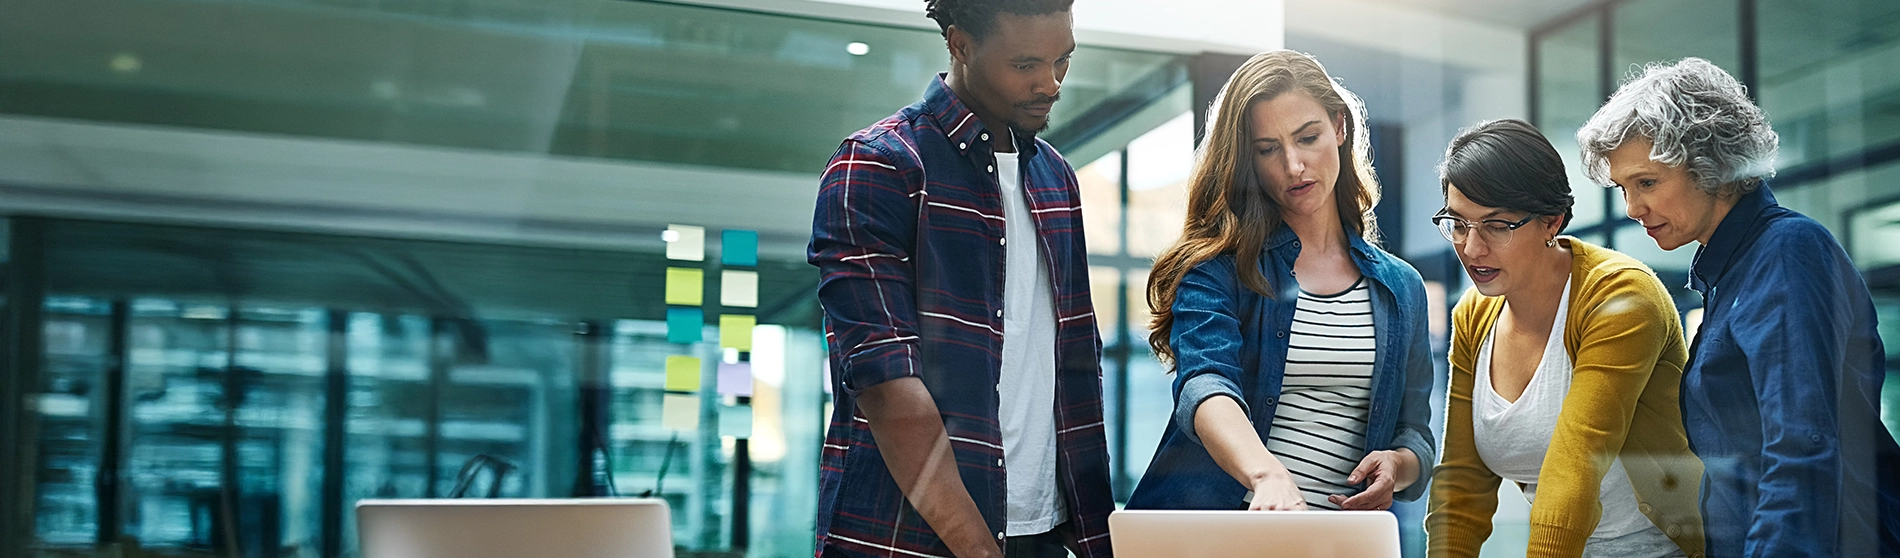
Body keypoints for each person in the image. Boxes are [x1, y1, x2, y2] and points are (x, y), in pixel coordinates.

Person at [805, 0, 1114, 556]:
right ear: (960, 45)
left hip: (1042, 533)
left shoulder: (1055, 179)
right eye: (1025, 66)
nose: (1051, 83)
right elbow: (886, 386)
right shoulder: (879, 165)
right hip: (912, 539)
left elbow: (1071, 372)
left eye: (1062, 60)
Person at [1575, 57, 1900, 558]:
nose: (1632, 208)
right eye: (1623, 188)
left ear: (1712, 166)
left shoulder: (1787, 251)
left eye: (1647, 182)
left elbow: (1801, 446)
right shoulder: (1730, 273)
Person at [1123, 50, 1435, 514]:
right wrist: (1266, 474)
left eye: (1308, 138)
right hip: (1220, 534)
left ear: (1340, 127)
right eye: (1268, 149)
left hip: (1331, 542)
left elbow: (1415, 433)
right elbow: (1205, 384)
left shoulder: (1401, 288)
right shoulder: (1217, 268)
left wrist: (1399, 465)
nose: (1293, 166)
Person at [1423, 119, 1703, 558]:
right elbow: (1462, 481)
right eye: (1458, 224)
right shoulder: (1473, 315)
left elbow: (1575, 468)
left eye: (1497, 226)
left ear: (1551, 221)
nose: (1472, 248)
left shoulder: (1622, 296)